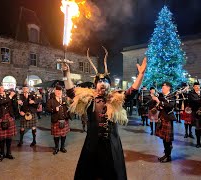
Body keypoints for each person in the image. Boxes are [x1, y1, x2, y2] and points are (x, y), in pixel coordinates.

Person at [63, 50, 147, 180]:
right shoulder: (88, 98)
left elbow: (132, 92)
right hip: (92, 144)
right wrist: (66, 74)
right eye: (100, 81)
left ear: (109, 84)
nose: (103, 83)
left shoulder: (116, 98)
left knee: (113, 173)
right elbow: (71, 92)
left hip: (111, 144)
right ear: (95, 85)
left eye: (106, 81)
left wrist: (141, 75)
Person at [0, 83, 17, 162]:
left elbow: (13, 104)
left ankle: (9, 153)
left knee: (9, 137)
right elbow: (1, 102)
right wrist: (10, 96)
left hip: (9, 116)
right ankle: (2, 153)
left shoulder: (7, 95)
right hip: (1, 117)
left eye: (1, 88)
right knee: (1, 138)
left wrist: (14, 98)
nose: (0, 89)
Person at [154, 82, 176, 163]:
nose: (162, 89)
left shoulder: (172, 96)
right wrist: (158, 104)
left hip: (168, 119)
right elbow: (160, 108)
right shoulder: (163, 96)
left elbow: (170, 106)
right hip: (162, 118)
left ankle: (168, 156)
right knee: (164, 139)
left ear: (168, 88)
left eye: (164, 87)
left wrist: (159, 102)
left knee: (167, 140)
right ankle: (166, 154)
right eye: (162, 87)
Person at [46, 85, 70, 155]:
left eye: (60, 91)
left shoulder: (65, 99)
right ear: (55, 92)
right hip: (56, 120)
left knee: (63, 134)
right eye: (57, 91)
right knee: (56, 135)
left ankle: (62, 147)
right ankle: (56, 147)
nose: (59, 92)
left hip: (64, 120)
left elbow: (69, 107)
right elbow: (47, 109)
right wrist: (53, 110)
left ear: (62, 92)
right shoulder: (51, 100)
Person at [188, 81, 201, 148]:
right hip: (195, 112)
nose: (197, 87)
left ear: (200, 87)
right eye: (195, 86)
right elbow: (191, 102)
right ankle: (198, 142)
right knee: (197, 128)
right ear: (193, 87)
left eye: (198, 86)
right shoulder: (191, 94)